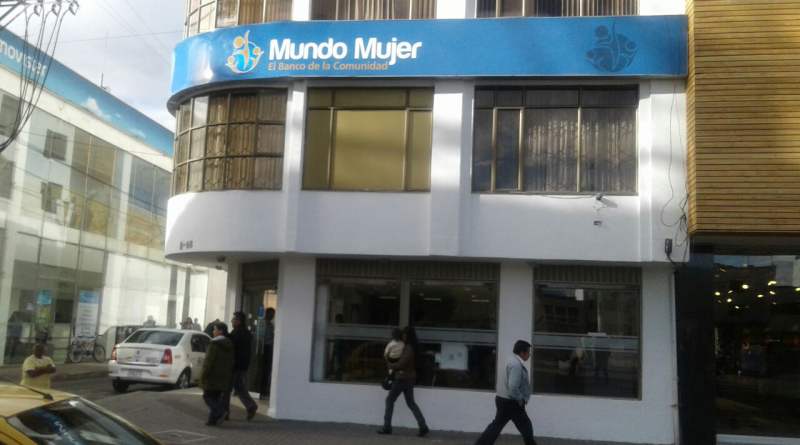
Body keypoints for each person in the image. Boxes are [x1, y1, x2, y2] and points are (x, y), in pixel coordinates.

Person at [475, 340, 537, 445]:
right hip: (512, 402)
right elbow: (512, 387)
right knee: (526, 426)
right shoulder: (516, 365)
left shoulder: (510, 360)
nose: (529, 355)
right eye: (528, 352)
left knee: (496, 426)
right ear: (522, 353)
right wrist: (520, 399)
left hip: (502, 399)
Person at [378, 326, 429, 437]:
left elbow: (401, 363)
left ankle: (387, 427)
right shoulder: (411, 347)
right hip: (409, 378)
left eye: (405, 334)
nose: (403, 336)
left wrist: (390, 364)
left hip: (402, 378)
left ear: (408, 335)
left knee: (390, 400)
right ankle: (423, 426)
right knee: (411, 403)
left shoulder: (408, 348)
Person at [223, 312, 258, 421]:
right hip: (241, 365)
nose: (232, 321)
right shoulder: (243, 332)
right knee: (239, 387)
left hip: (235, 365)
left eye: (234, 319)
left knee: (227, 388)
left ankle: (224, 412)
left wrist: (225, 335)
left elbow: (233, 345)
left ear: (238, 321)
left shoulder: (239, 333)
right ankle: (251, 406)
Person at [200, 322, 234, 426]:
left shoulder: (214, 344)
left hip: (212, 376)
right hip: (223, 375)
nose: (213, 331)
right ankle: (212, 420)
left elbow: (208, 362)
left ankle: (220, 411)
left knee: (207, 396)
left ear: (220, 331)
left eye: (215, 329)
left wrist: (203, 375)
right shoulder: (229, 344)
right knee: (215, 397)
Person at [259, 308, 275, 399]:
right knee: (262, 370)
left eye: (273, 314)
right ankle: (261, 390)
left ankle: (265, 389)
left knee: (267, 370)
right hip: (263, 348)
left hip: (269, 348)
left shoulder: (271, 325)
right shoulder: (262, 323)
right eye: (271, 314)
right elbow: (261, 337)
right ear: (267, 313)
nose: (272, 316)